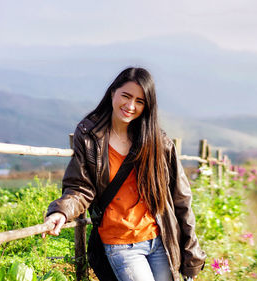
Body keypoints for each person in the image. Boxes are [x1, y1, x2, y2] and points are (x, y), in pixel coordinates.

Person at [43, 67, 206, 281]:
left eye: (139, 101)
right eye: (126, 96)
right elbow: (80, 187)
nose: (130, 106)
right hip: (120, 243)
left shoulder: (158, 142)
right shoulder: (90, 136)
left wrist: (191, 254)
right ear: (113, 93)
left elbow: (181, 198)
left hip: (160, 239)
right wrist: (61, 211)